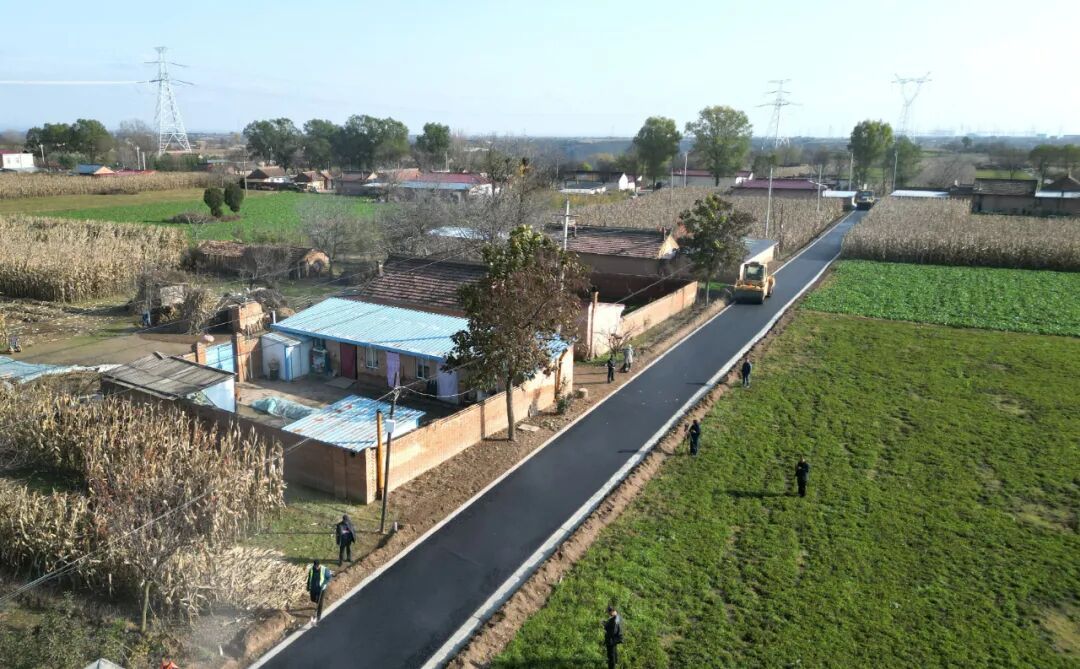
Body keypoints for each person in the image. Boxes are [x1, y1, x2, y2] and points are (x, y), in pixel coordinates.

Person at [307, 559, 332, 624]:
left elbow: (329, 577)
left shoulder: (324, 569)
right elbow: (309, 578)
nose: (316, 567)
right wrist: (308, 586)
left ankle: (318, 616)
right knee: (313, 599)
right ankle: (317, 604)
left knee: (320, 603)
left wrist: (324, 583)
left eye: (317, 566)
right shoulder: (311, 569)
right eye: (315, 566)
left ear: (319, 565)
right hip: (313, 588)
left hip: (321, 588)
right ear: (314, 565)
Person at [603, 605, 623, 669]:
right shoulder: (618, 617)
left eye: (609, 612)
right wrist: (606, 623)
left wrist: (605, 626)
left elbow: (613, 631)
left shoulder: (615, 619)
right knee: (613, 655)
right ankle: (614, 665)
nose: (608, 614)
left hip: (612, 640)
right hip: (615, 639)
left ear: (612, 611)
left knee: (611, 656)